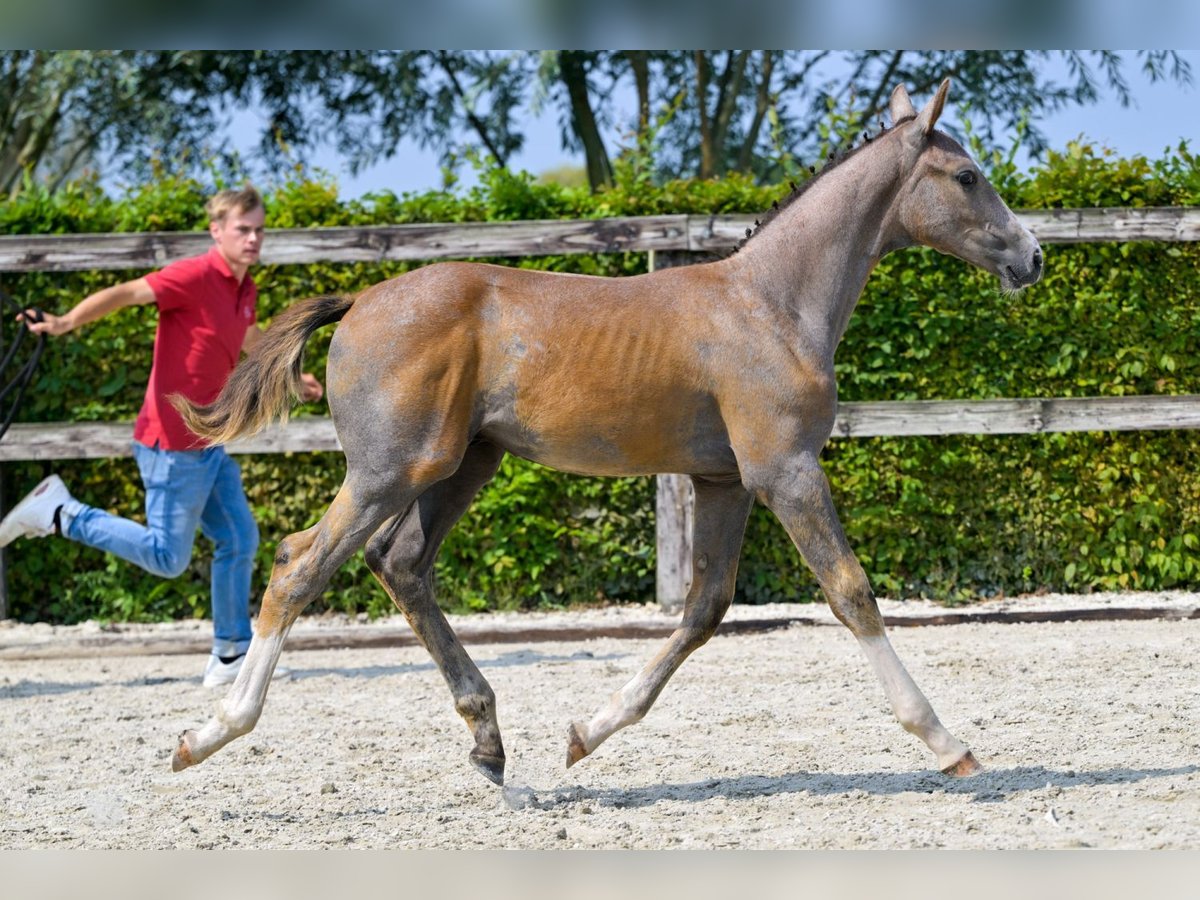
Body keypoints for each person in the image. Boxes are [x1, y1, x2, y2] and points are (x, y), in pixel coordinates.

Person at [0, 186, 323, 687]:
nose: (254, 238)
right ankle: (61, 512)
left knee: (238, 537)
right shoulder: (193, 275)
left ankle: (231, 654)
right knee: (167, 558)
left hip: (210, 439)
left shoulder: (245, 287)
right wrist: (64, 322)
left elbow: (246, 338)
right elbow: (128, 292)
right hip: (171, 443)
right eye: (243, 229)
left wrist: (289, 375)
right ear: (217, 230)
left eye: (259, 229)